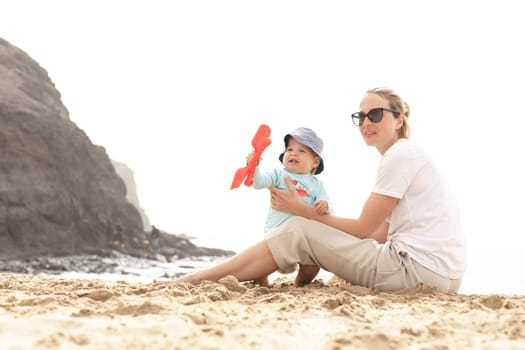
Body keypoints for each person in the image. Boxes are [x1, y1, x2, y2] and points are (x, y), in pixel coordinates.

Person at [168, 87, 467, 293]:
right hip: (446, 276)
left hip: (415, 271)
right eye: (360, 117)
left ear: (399, 119)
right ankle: (237, 272)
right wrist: (339, 259)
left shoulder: (398, 156)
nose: (366, 122)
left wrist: (302, 210)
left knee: (298, 227)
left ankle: (197, 278)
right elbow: (378, 234)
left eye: (376, 115)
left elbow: (364, 229)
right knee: (306, 230)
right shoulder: (409, 155)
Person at [248, 127, 333, 286]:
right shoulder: (278, 174)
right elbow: (259, 183)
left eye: (301, 150)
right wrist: (254, 167)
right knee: (259, 267)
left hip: (303, 239)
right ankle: (262, 281)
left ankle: (300, 282)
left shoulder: (317, 185)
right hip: (277, 234)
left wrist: (324, 205)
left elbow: (328, 207)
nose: (294, 153)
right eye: (289, 149)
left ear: (315, 162)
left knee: (313, 266)